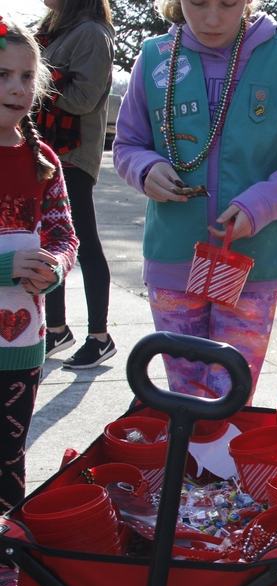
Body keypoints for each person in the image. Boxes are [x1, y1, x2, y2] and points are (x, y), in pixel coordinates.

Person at [113, 0, 277, 401]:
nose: (211, 18)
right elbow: (127, 143)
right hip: (174, 258)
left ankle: (219, 466)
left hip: (251, 263)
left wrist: (261, 204)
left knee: (231, 399)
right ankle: (192, 466)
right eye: (197, 3)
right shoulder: (153, 60)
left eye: (228, 3)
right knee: (185, 397)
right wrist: (145, 168)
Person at [0, 14, 79, 586]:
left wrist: (53, 265)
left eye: (28, 74)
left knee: (7, 455)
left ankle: (5, 562)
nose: (18, 86)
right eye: (3, 74)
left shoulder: (43, 157)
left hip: (21, 345)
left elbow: (63, 234)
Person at [32, 0, 114, 370]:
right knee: (47, 240)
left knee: (84, 243)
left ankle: (99, 336)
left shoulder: (92, 33)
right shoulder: (55, 27)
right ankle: (56, 329)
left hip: (73, 154)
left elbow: (83, 98)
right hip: (45, 150)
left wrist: (34, 80)